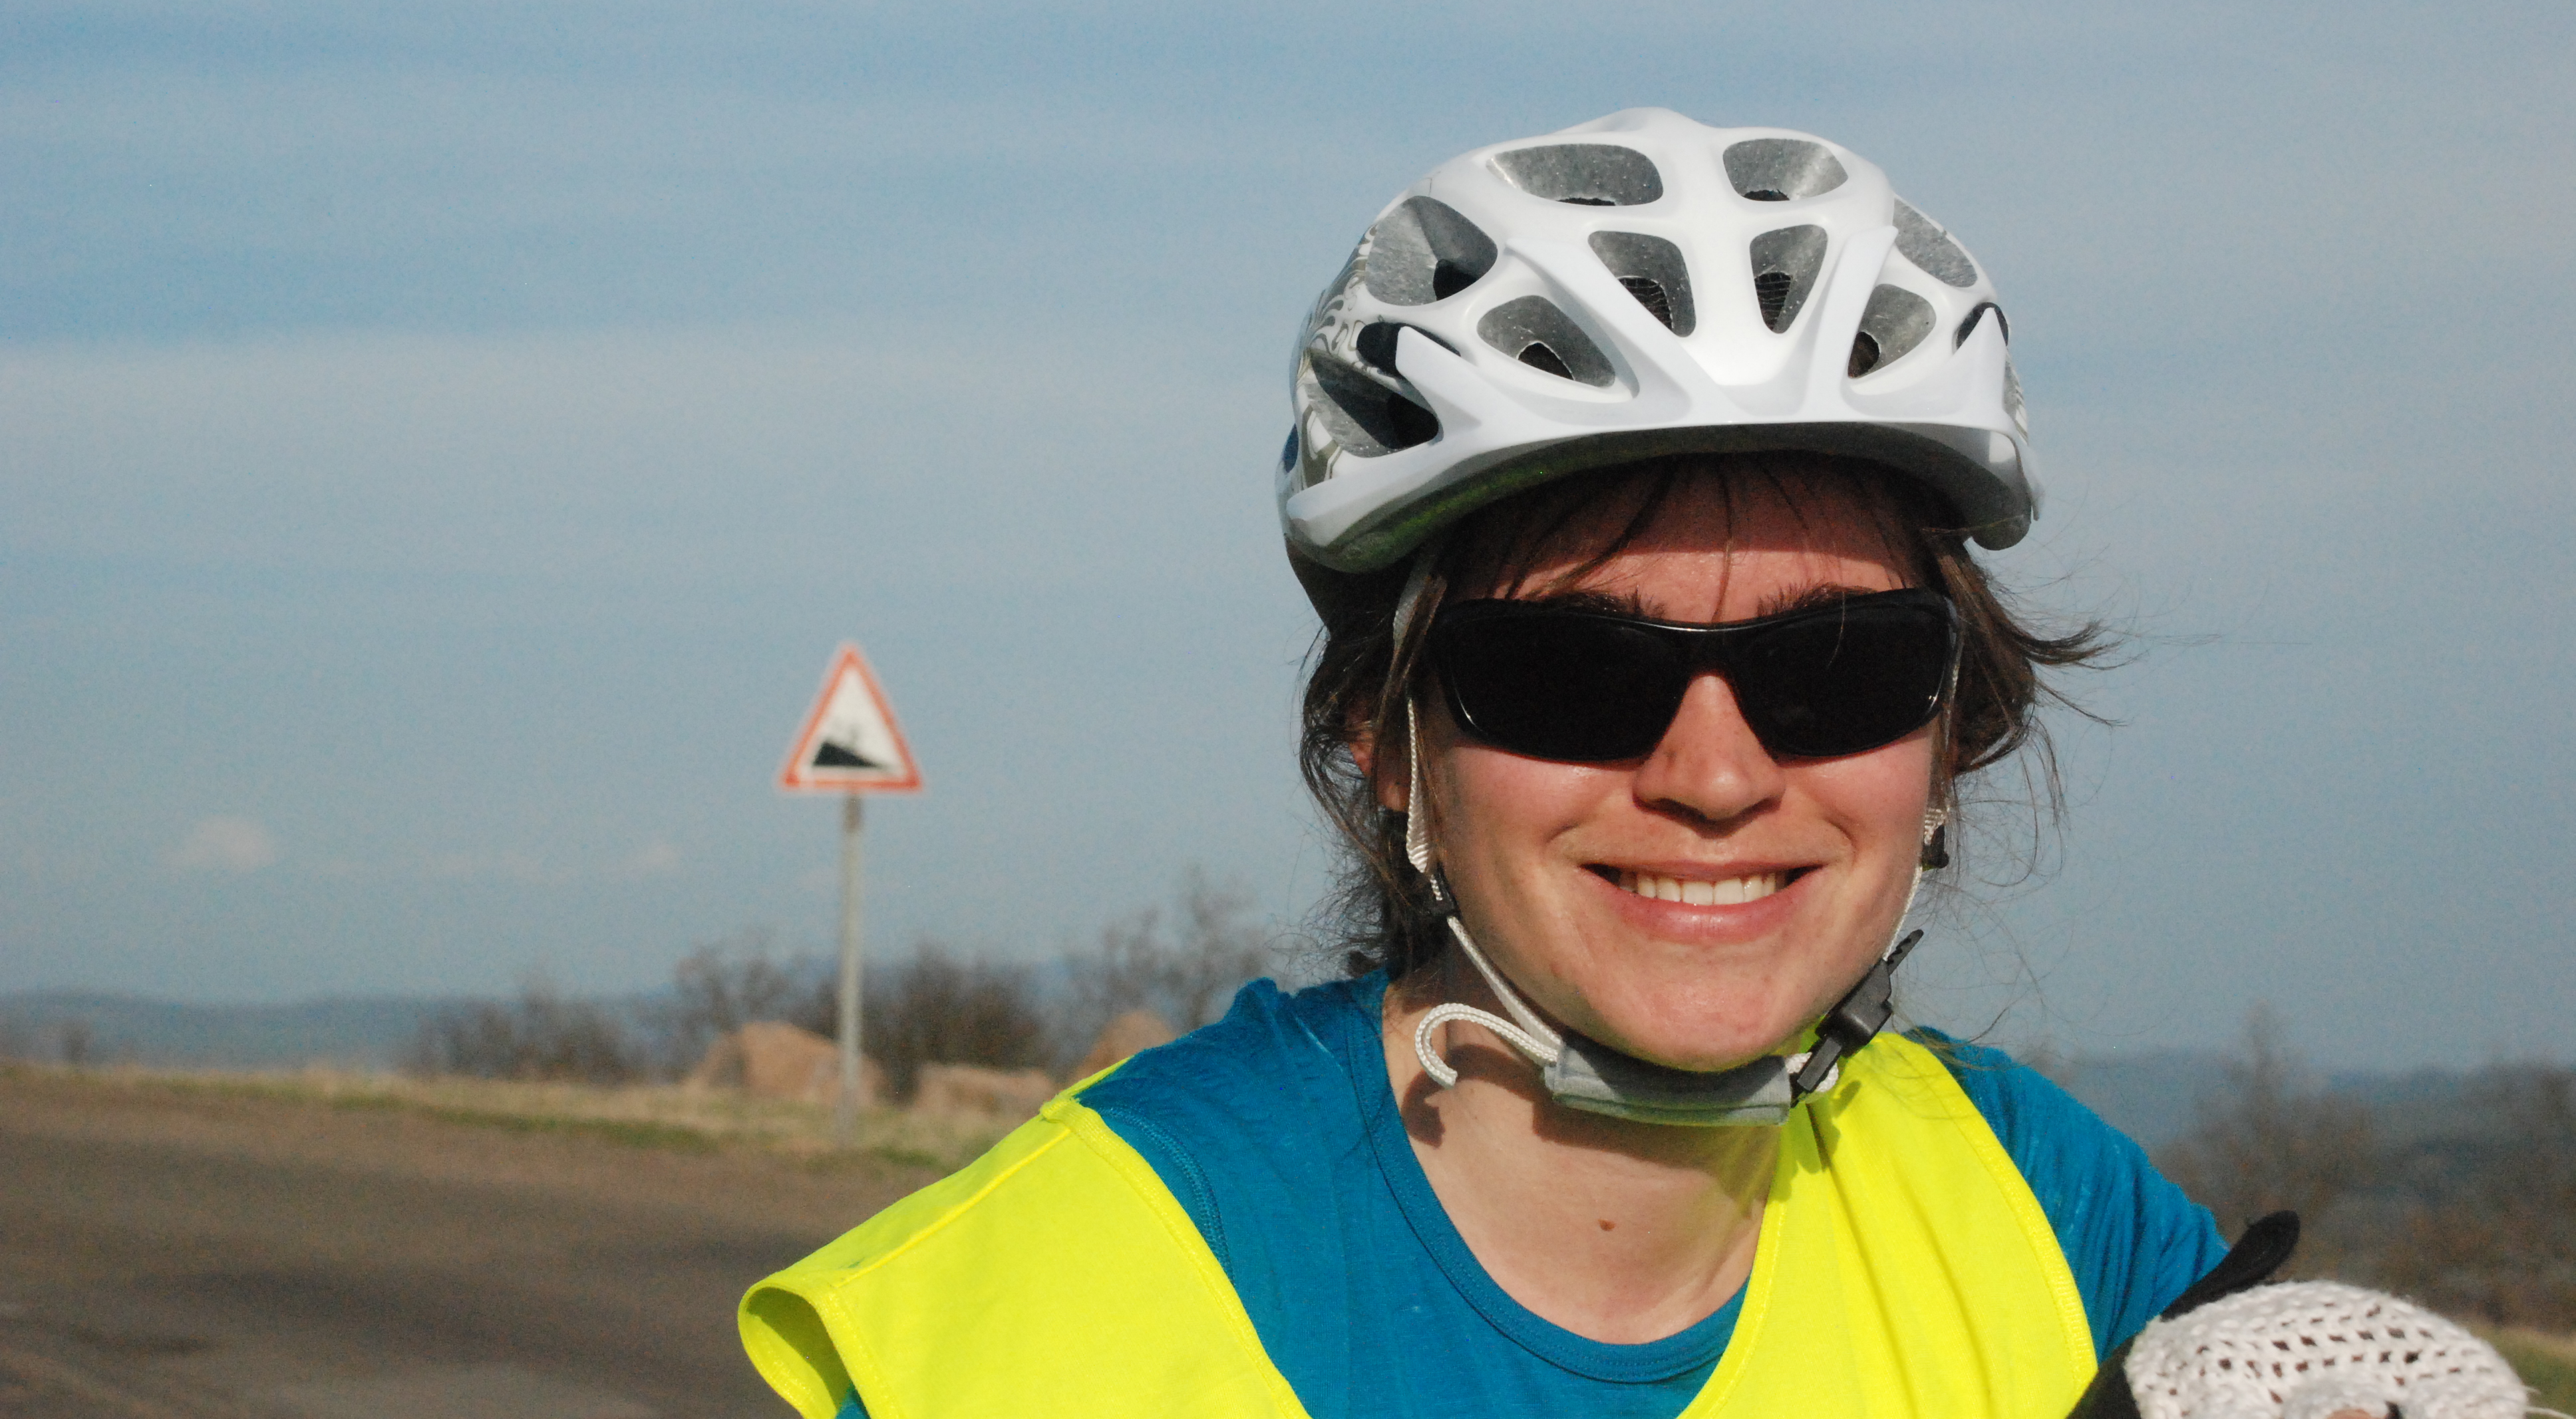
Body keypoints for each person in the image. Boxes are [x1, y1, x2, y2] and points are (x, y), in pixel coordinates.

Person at [738, 108, 2235, 1418]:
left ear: (1950, 726)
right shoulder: (1026, 1320)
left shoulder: (2068, 1232)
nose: (1716, 778)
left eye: (1837, 665)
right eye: (1573, 673)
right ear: (1384, 740)